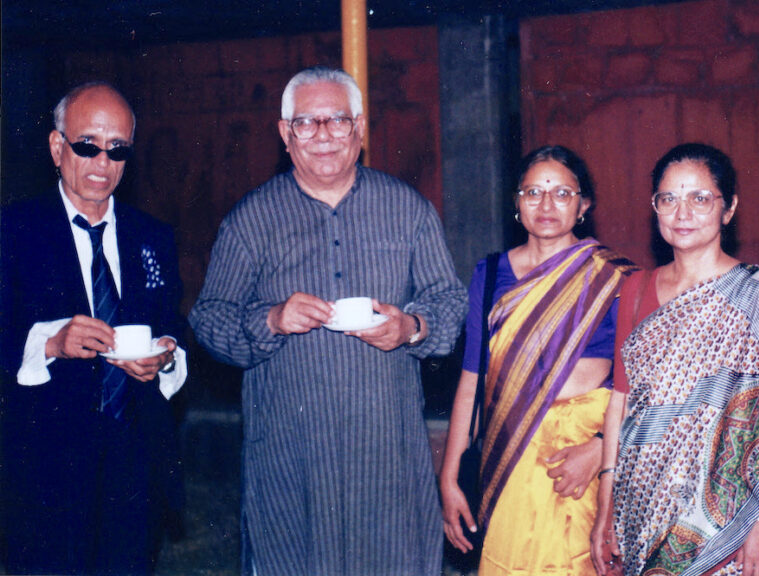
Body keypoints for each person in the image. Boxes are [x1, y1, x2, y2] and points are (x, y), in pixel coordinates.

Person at [188, 66, 467, 575]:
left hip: (387, 457)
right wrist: (269, 319)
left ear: (360, 127)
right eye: (306, 123)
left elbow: (448, 301)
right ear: (284, 133)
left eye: (337, 120)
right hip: (291, 458)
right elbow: (209, 320)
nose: (323, 136)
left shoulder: (407, 210)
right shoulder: (252, 219)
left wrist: (412, 328)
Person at [591, 143, 759, 576]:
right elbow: (619, 405)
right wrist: (605, 510)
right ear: (654, 208)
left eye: (700, 198)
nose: (682, 213)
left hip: (733, 524)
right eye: (668, 199)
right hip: (640, 510)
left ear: (728, 208)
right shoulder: (635, 290)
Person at [0, 82, 187, 575]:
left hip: (134, 468)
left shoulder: (154, 236)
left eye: (117, 149)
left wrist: (166, 357)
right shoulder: (13, 231)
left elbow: (173, 329)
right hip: (43, 470)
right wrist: (50, 343)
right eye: (87, 146)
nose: (102, 163)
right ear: (57, 146)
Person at [439, 145, 637, 575]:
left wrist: (602, 449)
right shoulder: (489, 274)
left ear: (583, 205)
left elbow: (645, 387)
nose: (546, 205)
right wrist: (450, 476)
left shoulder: (613, 278)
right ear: (517, 202)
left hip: (578, 463)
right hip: (509, 452)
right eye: (533, 193)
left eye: (562, 193)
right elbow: (473, 377)